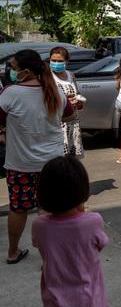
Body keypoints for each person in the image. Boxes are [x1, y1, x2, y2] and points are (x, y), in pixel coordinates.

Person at [0, 49, 73, 264]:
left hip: (20, 164)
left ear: (26, 71)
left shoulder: (10, 93)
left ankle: (13, 251)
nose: (11, 71)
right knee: (48, 210)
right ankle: (49, 258)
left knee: (18, 208)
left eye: (13, 67)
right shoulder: (56, 91)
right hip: (52, 163)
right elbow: (70, 116)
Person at [32, 157, 111, 307]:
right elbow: (99, 245)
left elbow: (42, 248)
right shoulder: (93, 221)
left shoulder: (39, 225)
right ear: (82, 190)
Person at [50, 46, 85, 158]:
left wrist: (79, 101)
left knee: (72, 158)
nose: (56, 63)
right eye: (53, 60)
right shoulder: (47, 77)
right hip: (56, 122)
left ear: (66, 61)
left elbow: (77, 92)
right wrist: (64, 100)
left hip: (73, 121)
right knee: (58, 157)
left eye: (60, 61)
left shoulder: (71, 75)